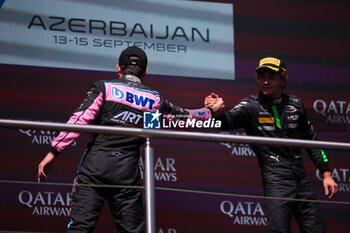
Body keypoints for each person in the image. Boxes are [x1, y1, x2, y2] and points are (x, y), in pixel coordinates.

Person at [38, 46, 217, 233]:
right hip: (127, 171)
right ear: (145, 72)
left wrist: (53, 151)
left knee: (80, 228)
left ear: (118, 68)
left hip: (94, 167)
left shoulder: (104, 87)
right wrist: (212, 111)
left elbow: (79, 120)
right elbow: (185, 118)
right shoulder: (154, 99)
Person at [205, 56, 338, 233]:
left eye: (271, 77)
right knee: (278, 230)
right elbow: (227, 121)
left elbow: (311, 140)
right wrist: (217, 112)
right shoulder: (250, 105)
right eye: (262, 76)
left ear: (282, 80)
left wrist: (326, 173)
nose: (265, 81)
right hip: (276, 179)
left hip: (302, 179)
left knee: (317, 230)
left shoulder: (295, 104)